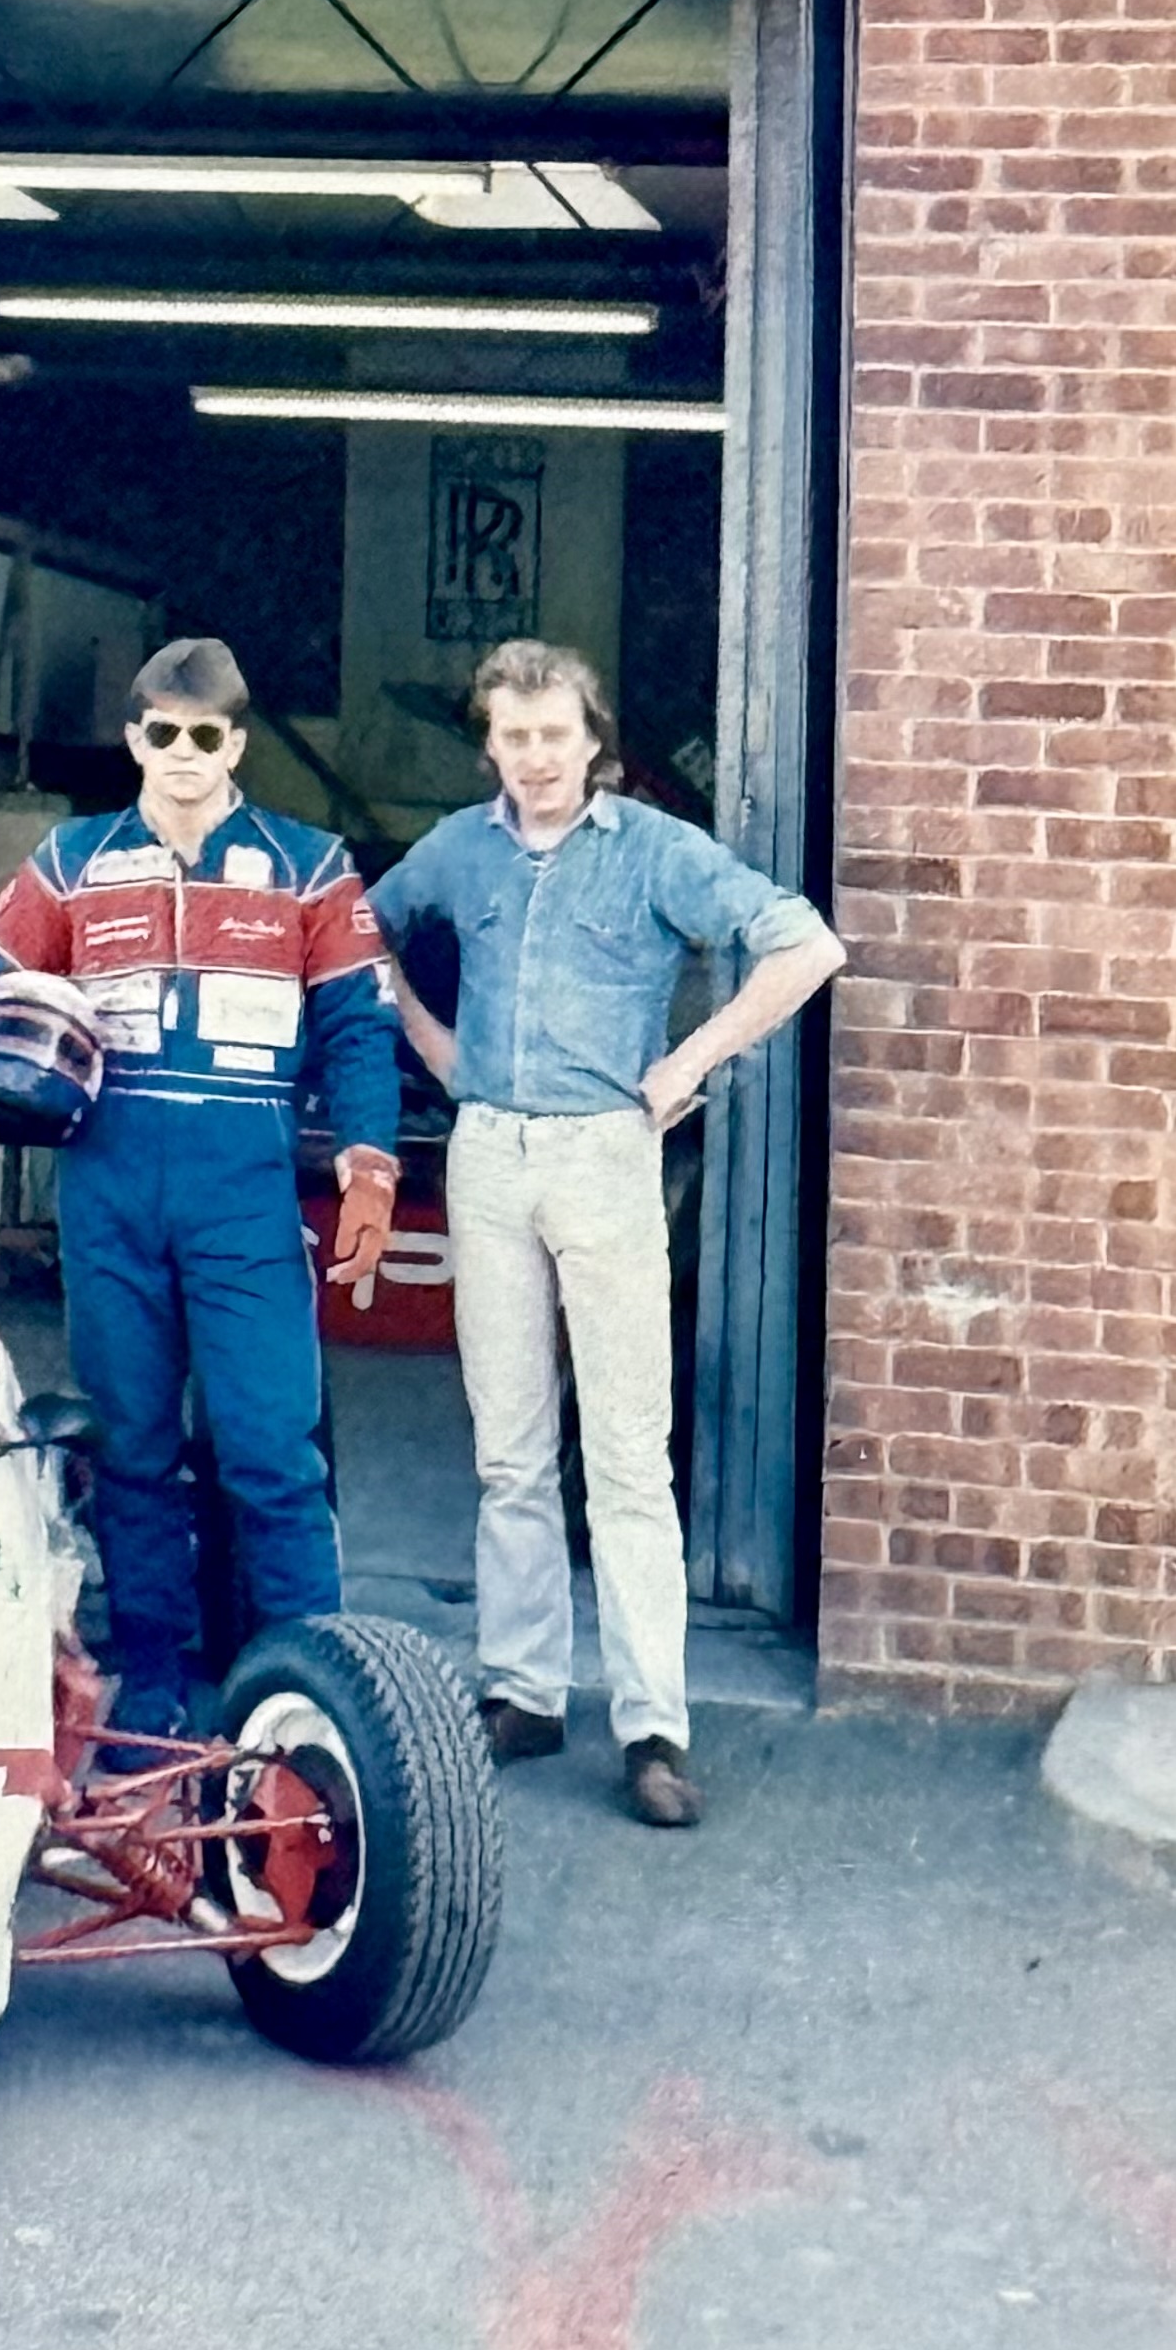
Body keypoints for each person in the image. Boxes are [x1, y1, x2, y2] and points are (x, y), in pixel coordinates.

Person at [0, 637, 404, 1750]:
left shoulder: (309, 865)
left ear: (237, 742)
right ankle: (151, 1682)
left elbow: (360, 1029)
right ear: (134, 737)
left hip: (244, 1189)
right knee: (128, 1446)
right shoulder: (72, 858)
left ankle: (308, 1696)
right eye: (161, 732)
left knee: (272, 1450)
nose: (183, 754)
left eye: (206, 735)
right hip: (108, 1183)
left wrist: (370, 1163)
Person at [371, 638, 845, 1830]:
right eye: (511, 735)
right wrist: (430, 1041)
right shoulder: (460, 848)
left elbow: (803, 943)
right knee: (508, 1448)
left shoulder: (649, 850)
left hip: (601, 1155)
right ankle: (522, 1690)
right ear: (487, 742)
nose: (533, 757)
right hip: (485, 1155)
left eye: (552, 734)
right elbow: (352, 929)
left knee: (628, 1458)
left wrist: (687, 1059)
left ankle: (652, 1726)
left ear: (592, 740)